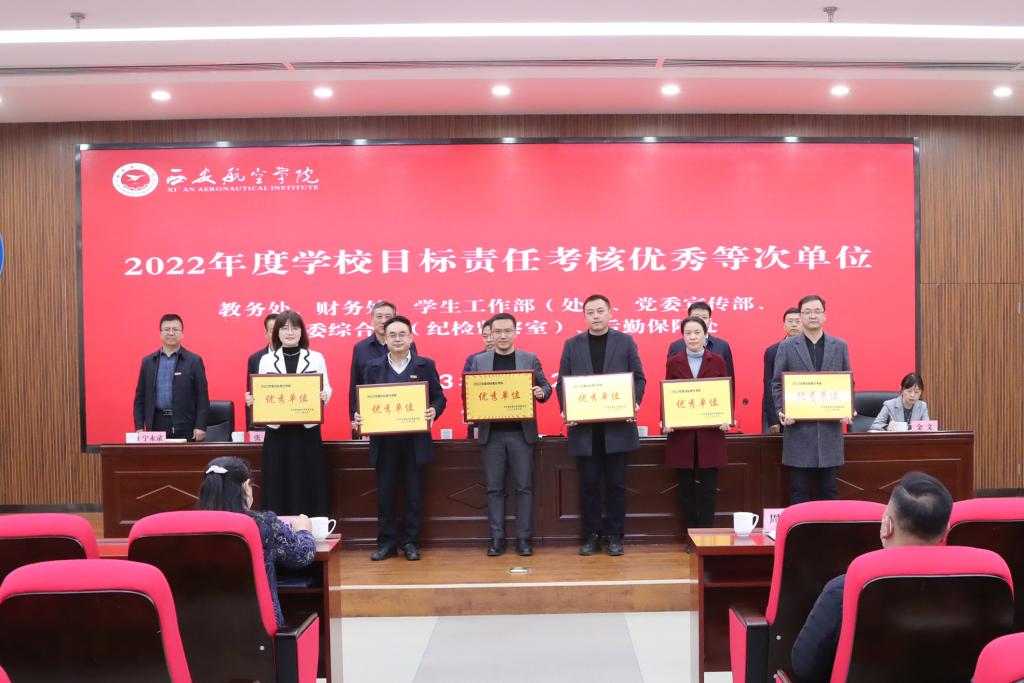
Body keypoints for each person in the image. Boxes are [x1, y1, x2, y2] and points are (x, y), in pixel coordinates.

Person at [791, 471, 953, 683]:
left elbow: (804, 668)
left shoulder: (845, 590)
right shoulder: (978, 588)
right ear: (946, 532)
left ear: (886, 527)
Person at [557, 294, 646, 557]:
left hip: (617, 428)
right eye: (590, 312)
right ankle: (592, 536)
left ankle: (616, 536)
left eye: (600, 311)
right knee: (589, 483)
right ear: (584, 316)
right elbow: (563, 382)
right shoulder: (572, 345)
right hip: (585, 430)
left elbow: (639, 378)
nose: (595, 316)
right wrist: (567, 409)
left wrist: (633, 403)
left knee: (617, 483)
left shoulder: (625, 341)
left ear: (610, 313)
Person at [354, 316, 446, 562]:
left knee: (414, 496)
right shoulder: (372, 367)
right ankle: (387, 544)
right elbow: (363, 400)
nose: (397, 339)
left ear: (411, 337)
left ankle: (411, 543)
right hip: (384, 443)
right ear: (385, 339)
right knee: (385, 496)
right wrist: (359, 416)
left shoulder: (425, 365)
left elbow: (439, 397)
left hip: (415, 443)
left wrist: (433, 410)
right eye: (392, 335)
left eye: (402, 334)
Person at [197, 455, 316, 626]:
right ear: (246, 487)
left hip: (199, 629)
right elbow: (302, 554)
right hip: (257, 627)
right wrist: (303, 530)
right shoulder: (262, 523)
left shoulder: (187, 527)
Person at [469, 313, 552, 557]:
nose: (503, 336)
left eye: (507, 331)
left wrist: (540, 392)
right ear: (490, 334)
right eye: (498, 331)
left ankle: (523, 539)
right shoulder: (479, 361)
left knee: (524, 487)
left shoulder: (529, 358)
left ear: (515, 332)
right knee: (494, 488)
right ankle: (497, 539)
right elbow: (470, 394)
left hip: (520, 435)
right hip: (491, 436)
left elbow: (547, 387)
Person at [245, 311, 331, 517]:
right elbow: (260, 390)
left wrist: (324, 395)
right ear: (277, 332)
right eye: (284, 328)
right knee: (277, 480)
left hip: (307, 430)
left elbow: (327, 387)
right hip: (278, 432)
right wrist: (253, 400)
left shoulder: (316, 357)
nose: (290, 332)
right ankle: (278, 526)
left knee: (308, 479)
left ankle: (310, 525)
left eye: (295, 328)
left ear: (302, 332)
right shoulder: (266, 360)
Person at [772, 295, 854, 504]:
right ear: (800, 316)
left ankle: (828, 528)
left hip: (829, 433)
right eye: (807, 312)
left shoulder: (840, 345)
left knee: (829, 492)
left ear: (825, 315)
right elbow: (777, 383)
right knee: (799, 492)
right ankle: (800, 528)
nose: (812, 315)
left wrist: (848, 407)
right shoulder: (787, 347)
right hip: (798, 432)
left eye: (817, 311)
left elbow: (848, 382)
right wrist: (782, 410)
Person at [663, 316, 731, 553]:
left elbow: (724, 391)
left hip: (710, 435)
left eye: (697, 332)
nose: (692, 337)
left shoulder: (718, 360)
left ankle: (706, 536)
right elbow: (668, 394)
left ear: (705, 334)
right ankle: (691, 537)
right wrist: (666, 419)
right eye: (688, 333)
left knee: (709, 489)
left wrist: (726, 415)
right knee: (686, 490)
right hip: (682, 436)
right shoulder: (674, 362)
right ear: (682, 336)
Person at [133, 313, 210, 441]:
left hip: (186, 425)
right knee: (157, 455)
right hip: (156, 425)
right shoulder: (148, 362)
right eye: (167, 329)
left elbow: (202, 397)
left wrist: (200, 426)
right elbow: (140, 398)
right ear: (160, 333)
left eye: (175, 329)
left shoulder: (194, 361)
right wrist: (139, 427)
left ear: (182, 334)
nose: (171, 333)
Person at [348, 301, 418, 438]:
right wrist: (354, 417)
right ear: (372, 319)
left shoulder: (407, 345)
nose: (383, 321)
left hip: (402, 413)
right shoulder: (360, 348)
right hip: (373, 413)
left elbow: (415, 380)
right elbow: (355, 383)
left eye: (388, 316)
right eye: (379, 316)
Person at [667, 301, 735, 381]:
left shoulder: (722, 346)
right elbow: (669, 384)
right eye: (696, 317)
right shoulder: (676, 347)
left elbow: (728, 382)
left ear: (710, 320)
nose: (700, 320)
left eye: (704, 317)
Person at [763, 307, 803, 433]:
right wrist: (773, 420)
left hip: (806, 409)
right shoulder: (773, 351)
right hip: (783, 413)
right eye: (790, 321)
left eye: (798, 321)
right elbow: (769, 385)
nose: (794, 324)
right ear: (784, 325)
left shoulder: (811, 349)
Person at [245, 313, 278, 431]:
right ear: (266, 334)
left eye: (281, 329)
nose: (277, 334)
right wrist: (252, 426)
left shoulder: (297, 356)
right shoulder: (255, 359)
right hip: (265, 421)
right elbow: (251, 393)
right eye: (273, 331)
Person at [464, 317, 495, 438]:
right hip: (481, 422)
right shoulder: (473, 360)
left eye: (491, 335)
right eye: (485, 336)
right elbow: (466, 393)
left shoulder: (514, 358)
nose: (489, 340)